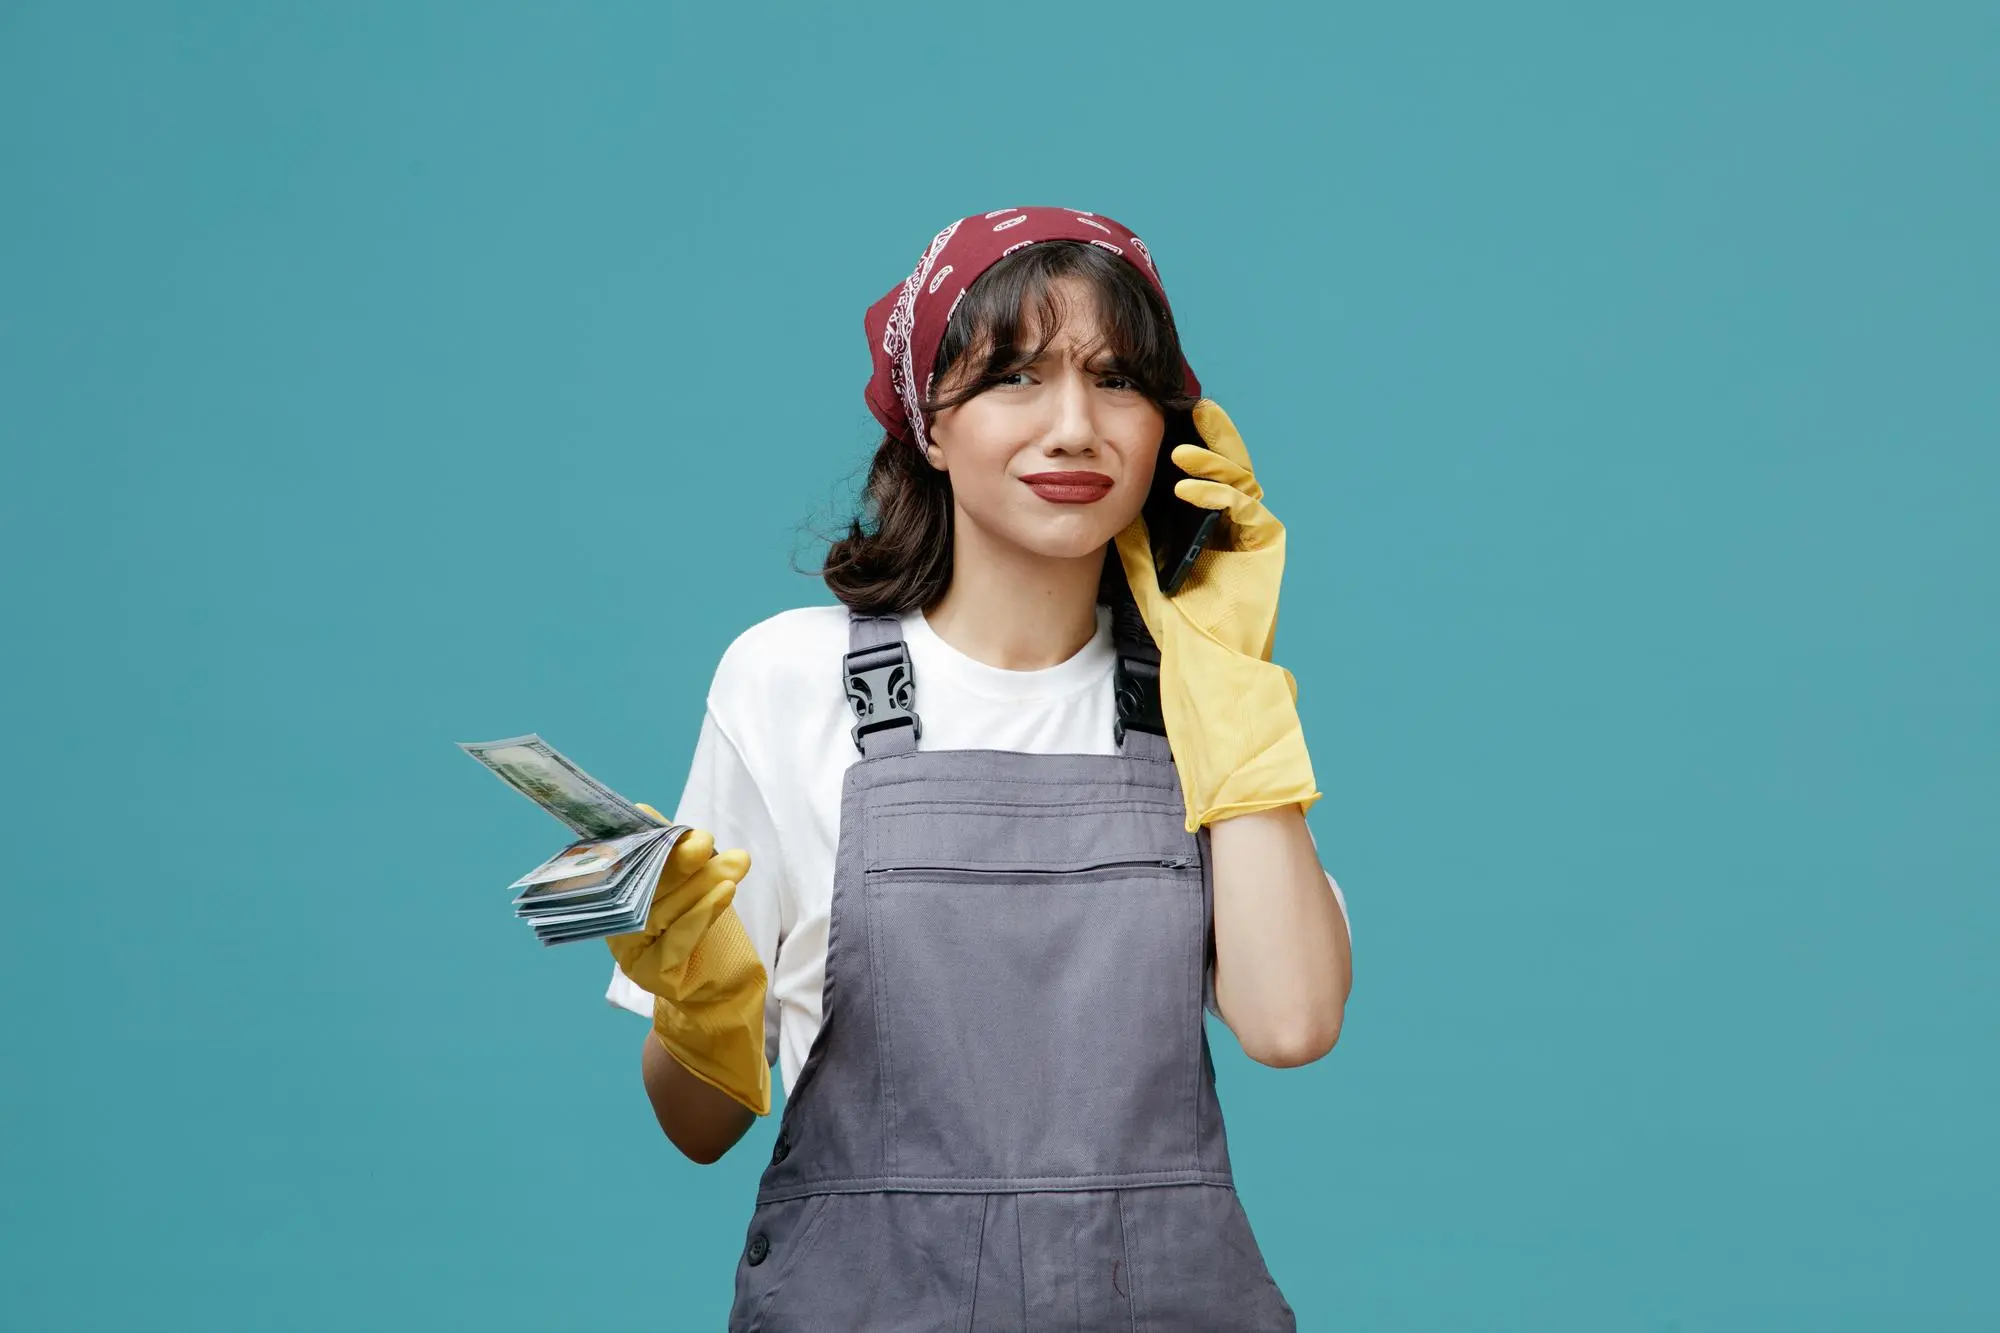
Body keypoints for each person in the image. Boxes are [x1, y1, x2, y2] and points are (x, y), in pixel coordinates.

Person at [602, 206, 1353, 1331]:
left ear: (1166, 428)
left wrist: (1230, 682)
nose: (1072, 427)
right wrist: (701, 1007)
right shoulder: (786, 680)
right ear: (929, 425)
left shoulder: (1200, 695)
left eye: (1114, 381)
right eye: (1013, 378)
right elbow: (699, 1127)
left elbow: (1289, 1024)